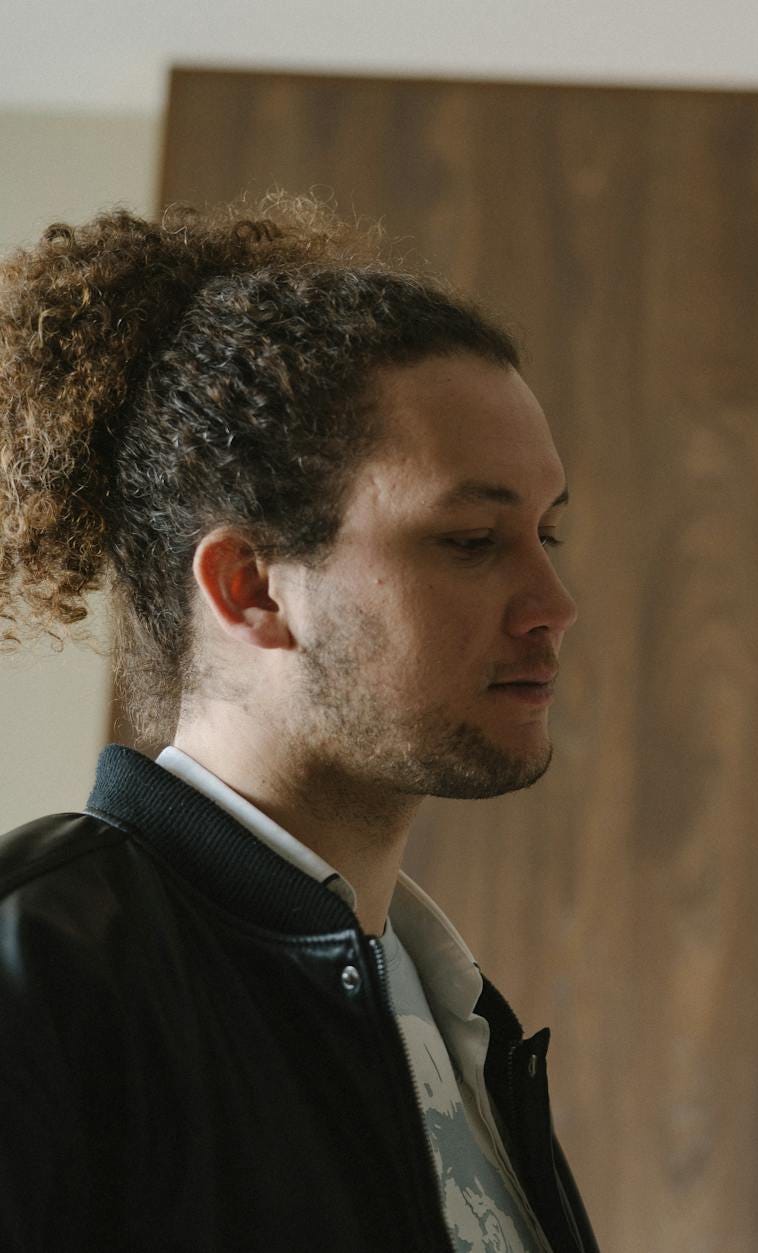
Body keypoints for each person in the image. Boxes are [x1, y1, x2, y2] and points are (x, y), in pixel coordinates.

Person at [0, 200, 592, 1251]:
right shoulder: (38, 970)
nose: (554, 602)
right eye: (470, 538)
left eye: (546, 533)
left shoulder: (454, 1013)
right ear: (251, 586)